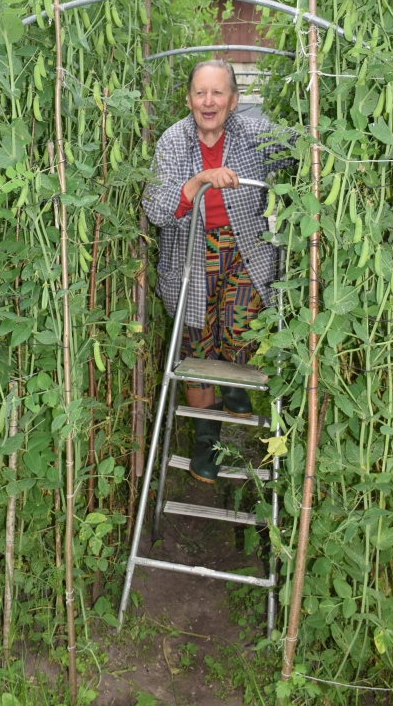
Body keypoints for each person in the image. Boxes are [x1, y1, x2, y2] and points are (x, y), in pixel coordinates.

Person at [142, 59, 297, 483]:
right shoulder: (175, 141)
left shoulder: (253, 133)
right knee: (197, 351)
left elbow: (304, 149)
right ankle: (206, 443)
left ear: (233, 100)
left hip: (246, 250)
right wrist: (198, 182)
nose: (208, 102)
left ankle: (236, 383)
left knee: (238, 325)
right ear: (189, 98)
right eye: (200, 93)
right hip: (190, 255)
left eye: (217, 93)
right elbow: (156, 209)